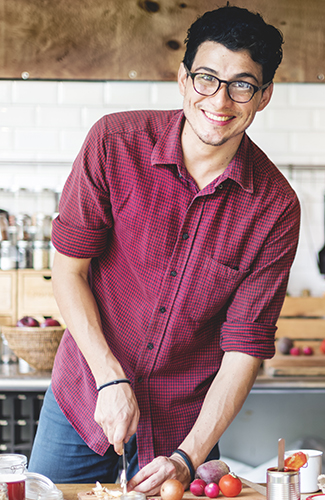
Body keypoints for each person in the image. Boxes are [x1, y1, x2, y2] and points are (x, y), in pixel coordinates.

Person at [27, 5, 299, 495]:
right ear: (182, 79)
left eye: (242, 85)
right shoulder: (114, 142)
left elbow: (243, 351)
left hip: (184, 428)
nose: (220, 100)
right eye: (207, 79)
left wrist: (187, 457)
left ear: (264, 96)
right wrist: (110, 379)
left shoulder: (274, 207)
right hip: (85, 392)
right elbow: (69, 273)